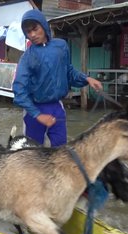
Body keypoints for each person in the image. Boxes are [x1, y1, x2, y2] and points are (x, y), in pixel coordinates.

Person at [12, 9, 102, 147]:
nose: (33, 35)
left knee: (61, 150)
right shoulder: (27, 58)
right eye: (28, 32)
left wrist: (87, 79)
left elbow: (68, 72)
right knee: (33, 154)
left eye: (35, 28)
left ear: (43, 25)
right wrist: (38, 115)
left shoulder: (61, 46)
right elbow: (19, 90)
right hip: (34, 110)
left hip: (56, 107)